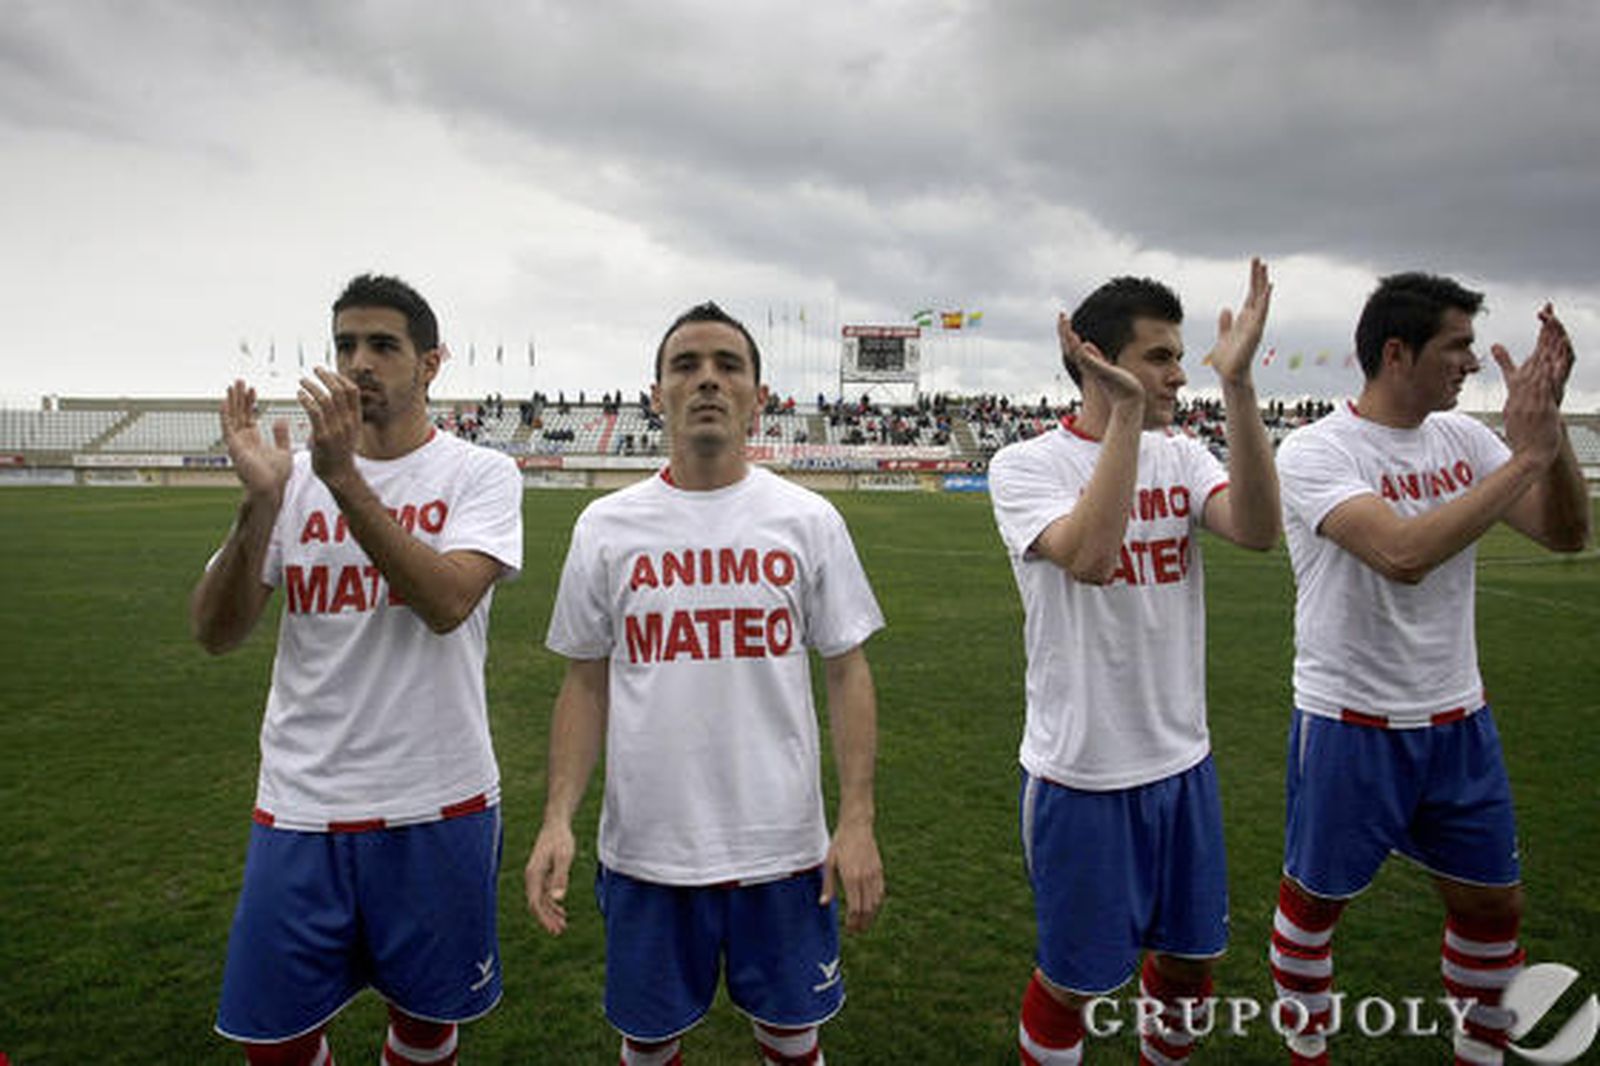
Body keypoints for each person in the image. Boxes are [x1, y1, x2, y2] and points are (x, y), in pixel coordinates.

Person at [525, 301, 886, 1066]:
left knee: (792, 1041)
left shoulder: (809, 520)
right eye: (686, 366)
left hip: (784, 847)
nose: (708, 380)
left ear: (759, 395)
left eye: (729, 366)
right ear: (656, 394)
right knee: (650, 1045)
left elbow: (848, 671)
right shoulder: (606, 526)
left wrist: (856, 820)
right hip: (649, 850)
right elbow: (584, 684)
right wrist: (558, 817)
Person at [190, 274, 524, 1066]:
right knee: (274, 1041)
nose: (359, 362)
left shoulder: (479, 475)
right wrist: (259, 508)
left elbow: (445, 602)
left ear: (431, 364)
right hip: (301, 801)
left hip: (436, 797)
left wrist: (343, 481)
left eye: (383, 345)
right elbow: (215, 631)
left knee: (424, 1024)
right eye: (345, 345)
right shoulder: (290, 480)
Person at [1267, 274, 1589, 1066]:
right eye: (1457, 347)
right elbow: (1401, 554)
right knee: (1314, 904)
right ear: (1396, 351)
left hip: (1458, 719)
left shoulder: (1467, 443)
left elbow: (1565, 534)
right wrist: (1529, 457)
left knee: (1492, 905)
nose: (1471, 365)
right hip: (1350, 721)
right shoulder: (1316, 449)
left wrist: (1548, 441)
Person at [989, 261, 1281, 1065]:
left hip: (1183, 759)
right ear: (1101, 362)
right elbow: (1088, 556)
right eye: (1160, 357)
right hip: (1082, 773)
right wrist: (1121, 418)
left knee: (1192, 963)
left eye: (1180, 357)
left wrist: (1240, 387)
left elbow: (1259, 529)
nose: (1179, 374)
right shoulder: (1026, 466)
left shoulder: (1183, 457)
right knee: (1074, 983)